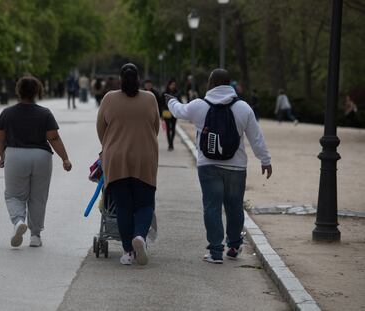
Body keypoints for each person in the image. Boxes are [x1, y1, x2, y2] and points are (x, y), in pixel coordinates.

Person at [167, 68, 272, 263]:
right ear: (229, 84)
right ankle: (233, 246)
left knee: (212, 207)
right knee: (234, 207)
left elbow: (179, 112)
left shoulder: (200, 106)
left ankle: (215, 252)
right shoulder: (243, 108)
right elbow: (256, 137)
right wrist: (265, 160)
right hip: (236, 167)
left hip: (208, 165)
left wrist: (171, 100)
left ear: (211, 84)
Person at [0, 76, 72, 248]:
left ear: (18, 91)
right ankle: (35, 236)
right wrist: (65, 158)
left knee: (14, 195)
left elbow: (1, 139)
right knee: (38, 197)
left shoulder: (6, 113)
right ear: (37, 91)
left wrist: (2, 156)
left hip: (15, 155)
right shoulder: (45, 113)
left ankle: (18, 222)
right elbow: (54, 138)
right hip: (41, 157)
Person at [97, 63, 160, 266]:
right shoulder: (150, 98)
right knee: (145, 203)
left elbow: (101, 129)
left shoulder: (109, 98)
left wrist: (110, 145)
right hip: (144, 157)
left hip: (116, 159)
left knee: (123, 207)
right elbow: (156, 127)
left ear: (120, 79)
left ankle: (128, 253)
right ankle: (140, 236)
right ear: (139, 78)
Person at [161, 79, 181, 151]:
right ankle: (170, 144)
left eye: (174, 85)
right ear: (168, 85)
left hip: (174, 113)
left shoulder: (178, 93)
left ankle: (171, 142)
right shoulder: (164, 93)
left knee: (173, 128)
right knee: (168, 129)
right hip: (166, 112)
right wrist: (161, 115)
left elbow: (180, 103)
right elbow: (161, 104)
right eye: (171, 85)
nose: (173, 86)